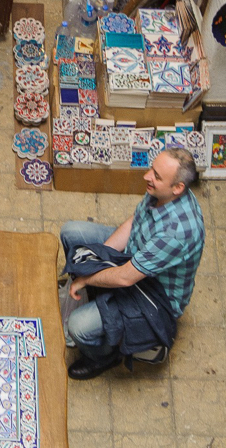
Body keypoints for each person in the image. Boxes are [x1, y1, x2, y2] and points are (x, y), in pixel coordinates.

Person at [60, 147, 205, 379]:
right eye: (151, 170)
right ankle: (97, 295)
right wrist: (98, 258)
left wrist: (85, 278)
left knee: (78, 326)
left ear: (178, 188)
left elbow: (126, 277)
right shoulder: (164, 190)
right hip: (135, 257)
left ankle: (105, 355)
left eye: (156, 176)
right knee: (71, 232)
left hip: (150, 293)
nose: (147, 176)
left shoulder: (176, 232)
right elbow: (134, 221)